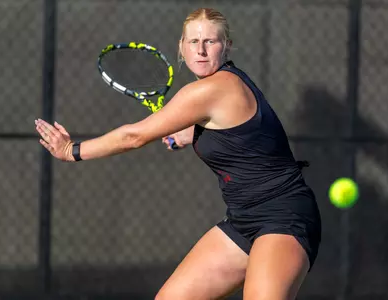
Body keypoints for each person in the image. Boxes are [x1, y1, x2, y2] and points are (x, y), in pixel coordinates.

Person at [35, 7, 321, 300]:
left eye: (211, 41)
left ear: (227, 46)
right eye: (193, 42)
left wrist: (73, 150)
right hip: (243, 221)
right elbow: (232, 130)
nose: (201, 50)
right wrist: (188, 135)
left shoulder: (214, 89)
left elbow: (134, 137)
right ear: (181, 48)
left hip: (283, 217)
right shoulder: (215, 93)